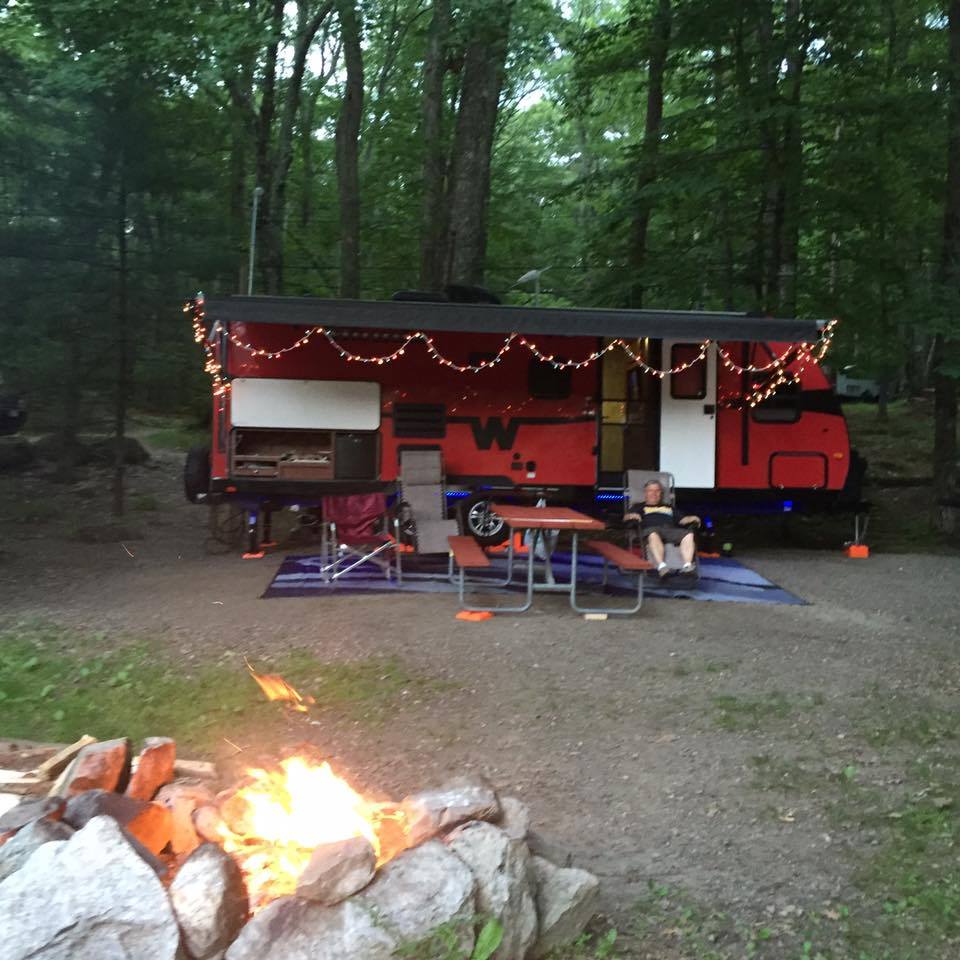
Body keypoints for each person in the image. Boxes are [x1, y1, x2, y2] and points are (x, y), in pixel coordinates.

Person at [624, 479, 699, 577]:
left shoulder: (669, 507)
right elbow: (626, 517)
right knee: (653, 533)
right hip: (650, 530)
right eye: (651, 490)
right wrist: (631, 516)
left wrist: (692, 518)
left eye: (657, 490)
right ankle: (662, 567)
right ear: (646, 493)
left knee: (688, 534)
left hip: (670, 530)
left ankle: (687, 566)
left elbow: (682, 519)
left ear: (661, 493)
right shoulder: (638, 506)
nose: (654, 493)